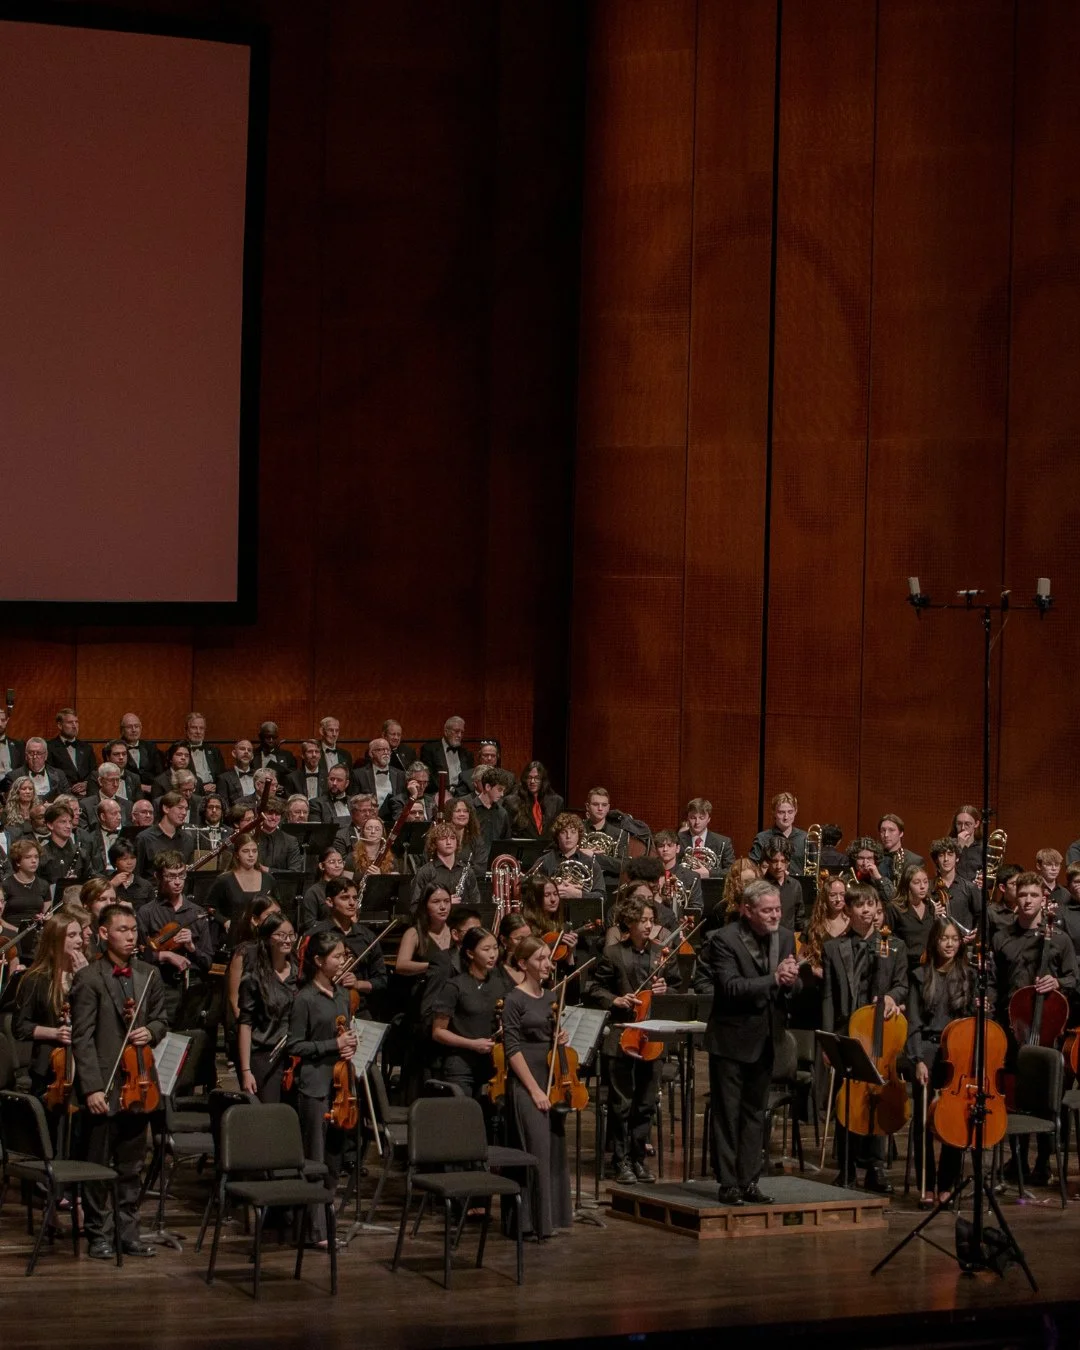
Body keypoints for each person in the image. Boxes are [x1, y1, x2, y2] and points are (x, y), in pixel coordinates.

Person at [70, 902, 168, 1259]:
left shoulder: (148, 975)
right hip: (105, 1085)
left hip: (139, 1084)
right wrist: (93, 1087)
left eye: (132, 930)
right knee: (98, 1165)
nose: (130, 936)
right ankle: (99, 1233)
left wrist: (151, 1032)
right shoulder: (89, 978)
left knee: (132, 1165)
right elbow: (82, 1038)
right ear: (102, 934)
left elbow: (161, 1019)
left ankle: (129, 1232)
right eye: (122, 930)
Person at [701, 878, 801, 1205]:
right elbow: (730, 987)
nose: (775, 916)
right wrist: (773, 978)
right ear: (747, 910)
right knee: (728, 1113)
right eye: (767, 911)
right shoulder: (724, 940)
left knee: (755, 1113)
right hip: (731, 1038)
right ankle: (728, 1182)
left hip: (767, 1037)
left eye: (777, 910)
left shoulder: (785, 937)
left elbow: (791, 989)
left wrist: (790, 981)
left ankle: (749, 1180)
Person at [586, 891, 680, 1185]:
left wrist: (667, 991)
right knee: (621, 1102)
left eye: (651, 920)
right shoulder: (613, 953)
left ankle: (638, 1158)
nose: (649, 925)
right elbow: (592, 988)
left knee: (645, 1103)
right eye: (643, 920)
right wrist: (615, 1000)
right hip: (622, 1035)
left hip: (653, 1035)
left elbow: (678, 989)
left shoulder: (661, 953)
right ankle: (620, 1159)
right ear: (629, 922)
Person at [991, 871, 1078, 1185]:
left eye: (1033, 895)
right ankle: (1017, 1159)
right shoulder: (1002, 937)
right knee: (1016, 1097)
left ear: (1044, 899)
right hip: (1012, 1028)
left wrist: (1058, 982)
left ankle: (1043, 1161)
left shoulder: (1059, 938)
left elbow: (1075, 978)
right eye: (1023, 895)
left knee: (1046, 1096)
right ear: (1016, 897)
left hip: (1047, 1030)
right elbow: (994, 983)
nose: (1027, 900)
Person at [820, 882, 908, 1193]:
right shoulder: (832, 947)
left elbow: (901, 985)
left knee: (878, 1094)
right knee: (848, 1098)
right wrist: (828, 1041)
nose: (867, 910)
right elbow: (828, 996)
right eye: (860, 906)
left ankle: (876, 1167)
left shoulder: (893, 946)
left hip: (879, 1032)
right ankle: (845, 1167)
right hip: (847, 1032)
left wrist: (892, 998)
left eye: (871, 905)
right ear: (848, 910)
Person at [286, 929, 357, 1246]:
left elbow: (345, 1034)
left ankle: (327, 1225)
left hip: (341, 1085)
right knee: (314, 1157)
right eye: (338, 956)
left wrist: (351, 1044)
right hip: (314, 1085)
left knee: (334, 1159)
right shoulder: (305, 999)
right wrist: (333, 1044)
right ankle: (311, 1231)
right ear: (318, 961)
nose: (344, 961)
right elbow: (295, 1045)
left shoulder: (342, 995)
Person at [906, 919, 983, 1207]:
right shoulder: (919, 975)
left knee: (953, 1118)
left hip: (958, 1053)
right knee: (923, 1120)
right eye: (944, 939)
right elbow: (913, 1023)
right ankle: (925, 1184)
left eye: (954, 939)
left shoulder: (969, 975)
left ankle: (947, 1183)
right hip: (926, 1049)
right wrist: (916, 1059)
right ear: (934, 942)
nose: (950, 944)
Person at [502, 934, 573, 1238]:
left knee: (552, 1151)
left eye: (548, 957)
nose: (547, 964)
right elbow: (511, 1049)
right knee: (534, 1151)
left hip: (551, 1079)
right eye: (540, 959)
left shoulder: (551, 997)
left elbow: (551, 1033)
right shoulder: (513, 1000)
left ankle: (550, 1220)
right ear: (522, 963)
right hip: (527, 1082)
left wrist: (561, 1037)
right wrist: (533, 1090)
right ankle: (527, 1222)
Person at [13, 910, 90, 1136]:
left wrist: (84, 980)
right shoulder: (35, 979)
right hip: (49, 1069)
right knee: (50, 1131)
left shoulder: (89, 975)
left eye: (79, 934)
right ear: (56, 940)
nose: (79, 940)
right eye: (72, 935)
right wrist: (55, 1033)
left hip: (85, 1065)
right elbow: (20, 1027)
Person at [430, 926, 511, 1104]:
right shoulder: (455, 986)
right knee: (464, 1117)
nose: (493, 955)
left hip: (494, 1063)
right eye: (486, 949)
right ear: (470, 953)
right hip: (461, 1064)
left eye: (495, 948)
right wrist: (472, 1044)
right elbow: (438, 1032)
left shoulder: (501, 985)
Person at [136, 851, 213, 1027]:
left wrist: (192, 948)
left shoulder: (197, 912)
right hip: (161, 987)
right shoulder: (146, 913)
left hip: (192, 988)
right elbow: (139, 956)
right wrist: (165, 956)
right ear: (157, 877)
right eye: (171, 877)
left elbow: (208, 962)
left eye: (181, 875)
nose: (178, 882)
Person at [306, 877, 388, 1019]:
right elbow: (304, 978)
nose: (352, 903)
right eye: (344, 898)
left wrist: (358, 983)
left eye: (355, 898)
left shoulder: (367, 936)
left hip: (359, 1010)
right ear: (330, 901)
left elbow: (381, 980)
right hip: (322, 1010)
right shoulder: (316, 935)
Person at [237, 911, 298, 1102]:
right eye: (281, 935)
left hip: (296, 1057)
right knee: (270, 1116)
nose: (287, 940)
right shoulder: (253, 978)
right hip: (265, 1057)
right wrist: (246, 1070)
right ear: (268, 939)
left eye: (291, 935)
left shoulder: (301, 975)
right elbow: (245, 1025)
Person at [205, 830, 277, 928]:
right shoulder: (224, 880)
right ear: (237, 854)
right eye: (245, 851)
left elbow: (277, 908)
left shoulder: (268, 879)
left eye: (254, 851)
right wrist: (225, 921)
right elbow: (210, 907)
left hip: (262, 934)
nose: (251, 855)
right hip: (233, 934)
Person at [885, 864, 947, 974]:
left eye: (925, 882)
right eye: (917, 882)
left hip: (928, 967)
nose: (923, 886)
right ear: (907, 885)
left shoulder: (931, 907)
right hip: (905, 968)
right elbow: (888, 939)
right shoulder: (894, 908)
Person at [534, 812, 605, 906]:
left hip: (581, 911)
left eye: (573, 832)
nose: (568, 836)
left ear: (579, 835)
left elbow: (602, 895)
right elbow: (531, 890)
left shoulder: (590, 862)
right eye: (563, 832)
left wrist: (579, 894)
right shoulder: (545, 861)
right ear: (557, 836)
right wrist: (553, 891)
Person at [410, 822, 480, 906]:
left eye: (452, 838)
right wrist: (446, 902)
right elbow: (415, 905)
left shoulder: (468, 871)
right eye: (443, 838)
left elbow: (476, 904)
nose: (448, 842)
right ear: (434, 844)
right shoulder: (425, 872)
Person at [461, 767, 512, 874]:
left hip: (493, 869)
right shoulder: (467, 810)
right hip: (470, 868)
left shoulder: (502, 813)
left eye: (503, 790)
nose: (502, 794)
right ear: (488, 787)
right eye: (499, 789)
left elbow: (505, 843)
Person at [135, 791, 195, 876]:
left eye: (186, 809)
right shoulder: (144, 838)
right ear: (166, 808)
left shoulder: (187, 839)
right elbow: (137, 873)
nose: (184, 813)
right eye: (180, 808)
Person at [929, 837, 981, 933]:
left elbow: (981, 916)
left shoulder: (969, 887)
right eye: (941, 855)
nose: (946, 859)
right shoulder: (929, 888)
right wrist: (932, 915)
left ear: (957, 858)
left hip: (965, 943)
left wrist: (975, 933)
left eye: (950, 854)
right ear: (936, 860)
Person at [749, 792, 808, 873]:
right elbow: (752, 868)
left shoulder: (805, 838)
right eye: (781, 812)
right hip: (771, 884)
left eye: (790, 812)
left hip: (800, 884)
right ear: (773, 812)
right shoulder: (762, 838)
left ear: (796, 811)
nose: (786, 817)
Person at [505, 761, 563, 841]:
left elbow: (559, 831)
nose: (532, 781)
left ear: (543, 780)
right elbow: (507, 833)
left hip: (549, 850)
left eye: (537, 778)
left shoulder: (557, 801)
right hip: (523, 849)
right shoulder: (511, 802)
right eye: (529, 778)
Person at [678, 798, 736, 878]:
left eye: (701, 818)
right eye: (693, 818)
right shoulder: (677, 839)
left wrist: (709, 873)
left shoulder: (723, 842)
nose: (697, 822)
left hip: (712, 888)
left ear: (709, 819)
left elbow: (732, 871)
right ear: (687, 818)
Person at [46, 707, 95, 798]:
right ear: (60, 725)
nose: (74, 726)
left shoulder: (87, 747)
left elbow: (94, 771)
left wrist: (86, 783)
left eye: (76, 722)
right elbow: (50, 774)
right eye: (70, 722)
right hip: (62, 795)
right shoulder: (50, 747)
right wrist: (69, 788)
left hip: (87, 795)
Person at [2, 737, 69, 803]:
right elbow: (12, 804)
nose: (35, 757)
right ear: (26, 756)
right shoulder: (13, 777)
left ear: (46, 755)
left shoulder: (59, 774)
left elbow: (68, 799)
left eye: (39, 753)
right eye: (31, 753)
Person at [653, 829, 703, 915]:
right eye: (661, 846)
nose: (665, 849)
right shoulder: (648, 874)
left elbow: (696, 909)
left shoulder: (692, 877)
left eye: (669, 845)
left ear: (677, 848)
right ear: (656, 850)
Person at [419, 716, 473, 794]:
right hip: (438, 794)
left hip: (462, 795)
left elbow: (469, 779)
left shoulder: (467, 754)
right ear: (446, 732)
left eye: (462, 732)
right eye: (457, 731)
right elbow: (429, 778)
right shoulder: (429, 750)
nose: (460, 735)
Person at [298, 846, 346, 934]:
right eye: (332, 862)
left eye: (340, 862)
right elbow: (309, 923)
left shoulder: (347, 888)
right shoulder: (313, 892)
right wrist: (335, 926)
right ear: (321, 866)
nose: (337, 865)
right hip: (324, 938)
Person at [759, 840, 805, 932]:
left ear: (788, 862)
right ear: (768, 861)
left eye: (783, 861)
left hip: (788, 940)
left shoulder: (795, 885)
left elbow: (799, 918)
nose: (779, 866)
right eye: (774, 861)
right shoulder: (760, 886)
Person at [351, 736, 405, 806]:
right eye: (381, 749)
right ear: (371, 753)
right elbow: (354, 803)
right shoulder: (359, 775)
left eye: (388, 750)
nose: (386, 753)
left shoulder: (400, 774)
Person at [118, 712, 164, 791]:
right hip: (127, 791)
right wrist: (140, 787)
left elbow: (160, 773)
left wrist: (154, 788)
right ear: (122, 730)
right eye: (129, 727)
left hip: (151, 792)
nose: (134, 730)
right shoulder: (116, 748)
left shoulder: (151, 747)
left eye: (137, 726)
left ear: (141, 728)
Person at [842, 837, 894, 904]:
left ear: (875, 860)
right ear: (854, 860)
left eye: (869, 858)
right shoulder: (845, 880)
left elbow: (891, 900)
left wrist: (878, 878)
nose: (865, 863)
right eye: (861, 858)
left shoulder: (882, 878)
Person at [183, 712, 226, 792]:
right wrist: (199, 788)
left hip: (214, 791)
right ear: (186, 729)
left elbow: (222, 775)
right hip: (191, 792)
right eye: (194, 728)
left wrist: (216, 785)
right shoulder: (180, 750)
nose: (198, 732)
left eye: (201, 728)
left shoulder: (214, 751)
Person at [878, 813, 924, 886]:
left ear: (901, 833)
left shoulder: (914, 860)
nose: (886, 835)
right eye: (883, 830)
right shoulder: (875, 858)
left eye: (891, 830)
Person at [108, 839, 155, 910]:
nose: (130, 862)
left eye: (133, 858)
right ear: (115, 862)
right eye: (124, 859)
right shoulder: (105, 882)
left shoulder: (145, 885)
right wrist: (111, 885)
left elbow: (151, 913)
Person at [215, 739, 257, 808]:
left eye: (249, 750)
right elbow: (224, 807)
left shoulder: (259, 775)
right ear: (234, 753)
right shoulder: (224, 778)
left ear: (252, 756)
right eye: (242, 749)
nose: (246, 752)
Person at [949, 805, 983, 883]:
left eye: (967, 824)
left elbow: (993, 877)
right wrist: (959, 846)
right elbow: (944, 870)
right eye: (959, 824)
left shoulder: (985, 846)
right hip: (955, 891)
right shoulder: (947, 845)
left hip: (977, 892)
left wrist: (985, 881)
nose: (963, 828)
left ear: (976, 824)